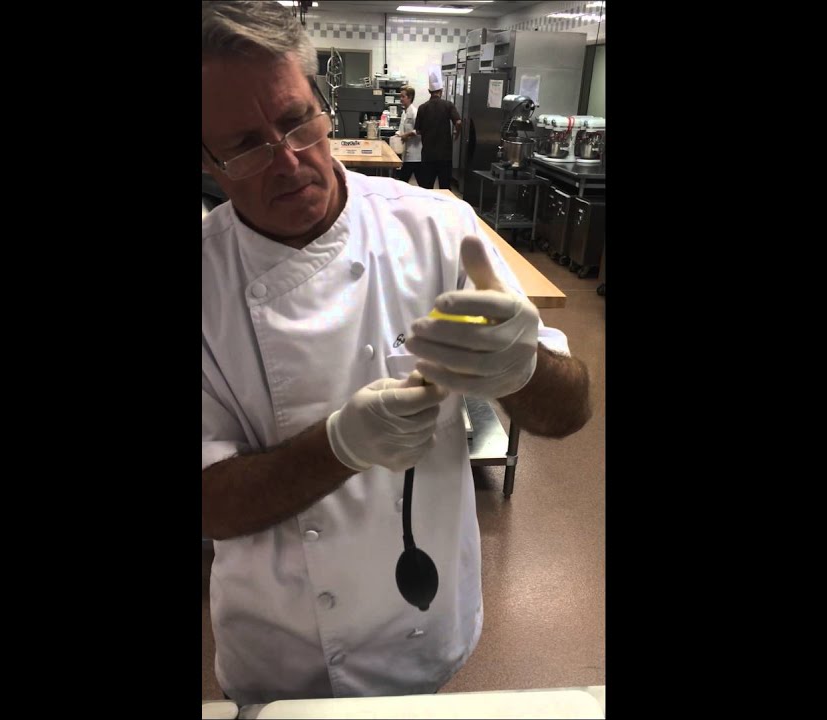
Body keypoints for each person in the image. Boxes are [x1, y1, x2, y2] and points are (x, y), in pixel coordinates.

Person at [201, 1, 591, 707]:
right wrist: (340, 446)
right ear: (208, 162)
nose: (289, 160)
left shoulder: (437, 228)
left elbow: (570, 411)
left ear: (322, 104)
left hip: (423, 622)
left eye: (297, 121)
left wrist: (522, 369)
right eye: (247, 145)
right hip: (281, 649)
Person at [413, 69, 462, 190]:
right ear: (441, 90)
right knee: (445, 188)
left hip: (428, 155)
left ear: (429, 91)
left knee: (426, 188)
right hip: (445, 155)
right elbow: (458, 122)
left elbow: (418, 131)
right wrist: (457, 133)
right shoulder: (448, 105)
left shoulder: (422, 108)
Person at [393, 86, 422, 184]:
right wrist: (398, 135)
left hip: (415, 154)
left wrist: (408, 134)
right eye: (400, 96)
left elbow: (420, 130)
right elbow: (401, 130)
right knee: (407, 181)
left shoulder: (414, 112)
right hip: (407, 153)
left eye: (403, 96)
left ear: (410, 97)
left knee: (404, 181)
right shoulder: (404, 113)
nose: (401, 99)